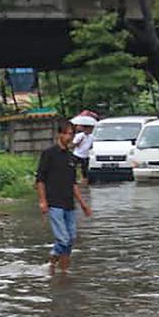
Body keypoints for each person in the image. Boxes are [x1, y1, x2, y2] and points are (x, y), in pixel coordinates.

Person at [36, 119, 93, 274]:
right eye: (67, 134)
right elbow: (40, 179)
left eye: (72, 134)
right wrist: (43, 201)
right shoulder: (49, 154)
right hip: (54, 203)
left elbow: (73, 184)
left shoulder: (71, 158)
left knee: (71, 239)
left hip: (69, 203)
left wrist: (83, 204)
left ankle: (63, 272)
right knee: (63, 239)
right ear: (59, 134)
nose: (70, 137)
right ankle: (54, 258)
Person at [71, 113, 97, 184]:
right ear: (86, 129)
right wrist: (79, 141)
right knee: (74, 168)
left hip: (85, 155)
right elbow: (73, 145)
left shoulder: (92, 137)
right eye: (89, 129)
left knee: (85, 170)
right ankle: (74, 180)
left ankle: (85, 182)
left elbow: (91, 146)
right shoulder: (79, 136)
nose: (90, 130)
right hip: (77, 154)